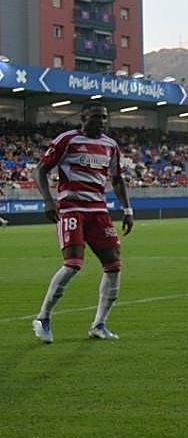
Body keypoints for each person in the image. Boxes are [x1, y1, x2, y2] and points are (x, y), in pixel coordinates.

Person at [31, 102, 133, 342]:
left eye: (105, 117)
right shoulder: (68, 140)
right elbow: (39, 170)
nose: (102, 121)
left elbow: (117, 179)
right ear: (83, 118)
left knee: (114, 265)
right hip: (72, 209)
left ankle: (99, 324)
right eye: (96, 117)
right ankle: (43, 317)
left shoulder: (110, 145)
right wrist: (48, 201)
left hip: (98, 211)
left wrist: (127, 209)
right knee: (73, 263)